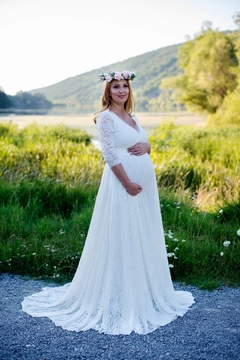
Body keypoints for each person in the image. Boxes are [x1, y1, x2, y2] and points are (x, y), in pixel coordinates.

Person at [22, 70, 194, 335]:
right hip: (122, 186)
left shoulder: (132, 116)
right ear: (108, 91)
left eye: (125, 86)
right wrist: (127, 183)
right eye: (116, 87)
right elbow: (110, 154)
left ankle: (140, 287)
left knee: (141, 234)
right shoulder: (105, 118)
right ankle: (119, 294)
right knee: (122, 232)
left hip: (144, 189)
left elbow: (139, 143)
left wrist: (147, 147)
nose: (121, 91)